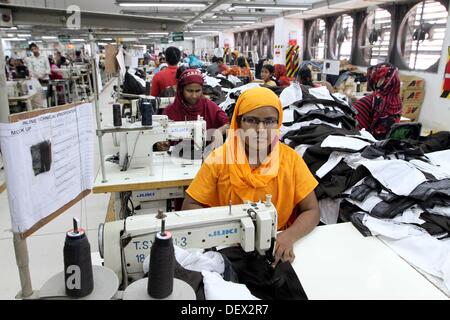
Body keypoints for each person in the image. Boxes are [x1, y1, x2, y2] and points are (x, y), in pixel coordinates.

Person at [182, 87, 320, 265]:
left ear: (278, 123)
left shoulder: (291, 160)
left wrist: (289, 236)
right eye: (252, 120)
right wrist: (225, 230)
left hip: (277, 244)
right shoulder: (219, 160)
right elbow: (190, 205)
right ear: (238, 122)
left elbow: (312, 210)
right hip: (227, 246)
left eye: (270, 121)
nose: (261, 129)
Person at [163, 68, 229, 134]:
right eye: (189, 91)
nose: (194, 96)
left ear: (202, 90)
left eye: (197, 91)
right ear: (181, 89)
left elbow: (228, 124)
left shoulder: (210, 107)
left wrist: (219, 131)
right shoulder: (170, 111)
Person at [353, 62, 403, 139]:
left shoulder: (365, 102)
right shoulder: (397, 100)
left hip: (369, 144)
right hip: (389, 143)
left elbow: (355, 131)